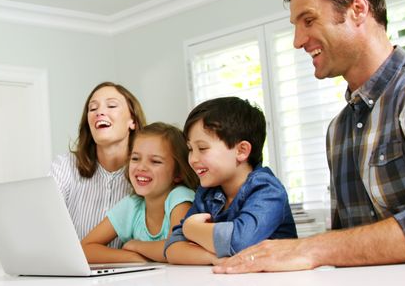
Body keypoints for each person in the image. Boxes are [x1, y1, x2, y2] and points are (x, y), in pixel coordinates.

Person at [213, 0, 405, 274]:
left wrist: (312, 246)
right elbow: (349, 242)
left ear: (358, 10)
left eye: (308, 20)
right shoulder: (338, 131)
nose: (297, 41)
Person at [164, 97, 297, 264]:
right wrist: (213, 258)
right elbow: (172, 248)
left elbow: (239, 241)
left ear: (241, 151)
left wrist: (191, 228)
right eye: (191, 149)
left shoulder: (267, 189)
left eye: (202, 148)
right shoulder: (207, 193)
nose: (192, 159)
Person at [81, 122, 199, 263]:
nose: (141, 167)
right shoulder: (133, 205)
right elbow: (85, 249)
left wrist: (136, 246)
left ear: (178, 173)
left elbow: (175, 247)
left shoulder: (180, 197)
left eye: (155, 161)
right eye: (135, 158)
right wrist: (132, 257)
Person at [50, 82, 146, 248]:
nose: (100, 112)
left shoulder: (146, 172)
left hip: (133, 272)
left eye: (111, 105)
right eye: (92, 108)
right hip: (74, 271)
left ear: (133, 121)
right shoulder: (65, 166)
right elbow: (43, 214)